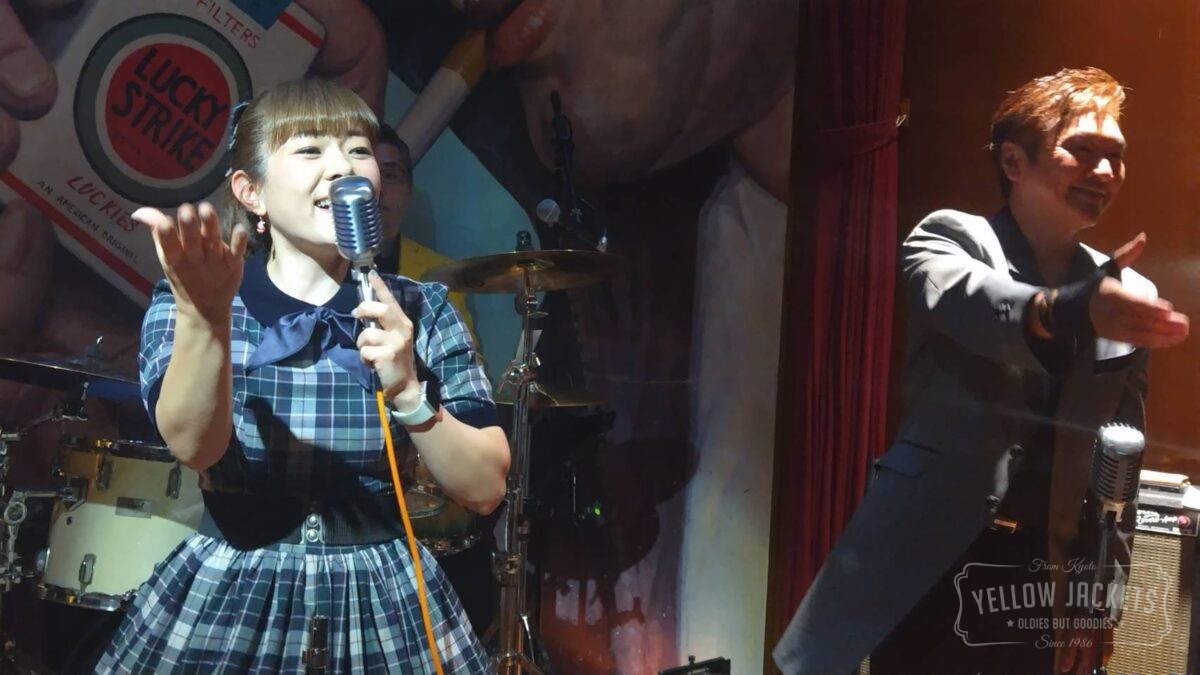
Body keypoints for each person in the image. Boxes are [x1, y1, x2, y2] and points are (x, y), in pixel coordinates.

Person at [773, 67, 1189, 675]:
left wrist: (1100, 601)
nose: (1104, 171)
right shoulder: (949, 239)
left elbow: (1116, 477)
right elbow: (976, 303)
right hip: (931, 563)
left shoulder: (1129, 294)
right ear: (1014, 161)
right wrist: (1072, 307)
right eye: (1082, 149)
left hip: (1039, 584)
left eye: (1116, 156)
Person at [94, 78, 508, 673]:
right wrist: (206, 319)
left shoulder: (421, 309)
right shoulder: (199, 298)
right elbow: (194, 446)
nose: (342, 167)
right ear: (251, 192)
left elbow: (485, 487)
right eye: (310, 149)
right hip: (232, 592)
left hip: (383, 597)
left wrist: (407, 390)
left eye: (359, 150)